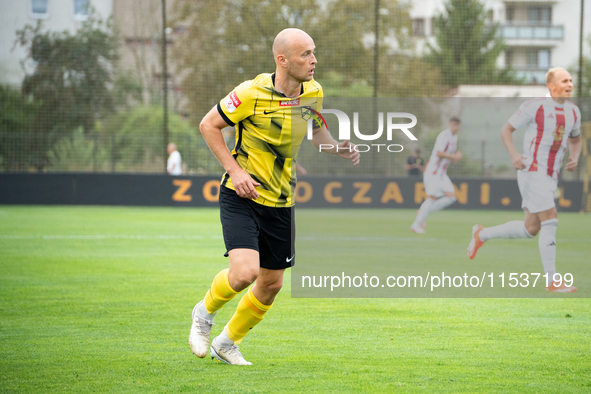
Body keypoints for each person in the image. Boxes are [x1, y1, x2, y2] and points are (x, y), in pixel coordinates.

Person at [190, 28, 360, 365]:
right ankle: (203, 314)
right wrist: (236, 172)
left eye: (313, 52)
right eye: (305, 55)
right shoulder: (250, 93)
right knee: (244, 274)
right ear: (282, 60)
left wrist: (336, 148)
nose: (314, 61)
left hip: (282, 201)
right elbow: (208, 125)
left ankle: (227, 343)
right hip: (242, 196)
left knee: (271, 284)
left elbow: (314, 131)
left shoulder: (313, 92)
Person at [467, 67, 581, 293]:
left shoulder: (574, 112)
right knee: (551, 218)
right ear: (552, 86)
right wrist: (514, 155)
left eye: (570, 80)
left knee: (530, 229)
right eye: (564, 80)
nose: (570, 84)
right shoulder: (535, 106)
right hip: (532, 170)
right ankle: (552, 281)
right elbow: (506, 130)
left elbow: (575, 139)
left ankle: (482, 234)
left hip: (550, 175)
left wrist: (574, 156)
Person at [410, 117, 462, 234]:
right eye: (453, 124)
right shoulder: (444, 135)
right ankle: (416, 225)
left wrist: (455, 157)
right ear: (449, 124)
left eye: (457, 125)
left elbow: (448, 156)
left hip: (442, 173)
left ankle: (423, 211)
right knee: (432, 197)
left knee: (451, 197)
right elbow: (438, 153)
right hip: (434, 170)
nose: (455, 127)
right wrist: (454, 156)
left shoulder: (454, 137)